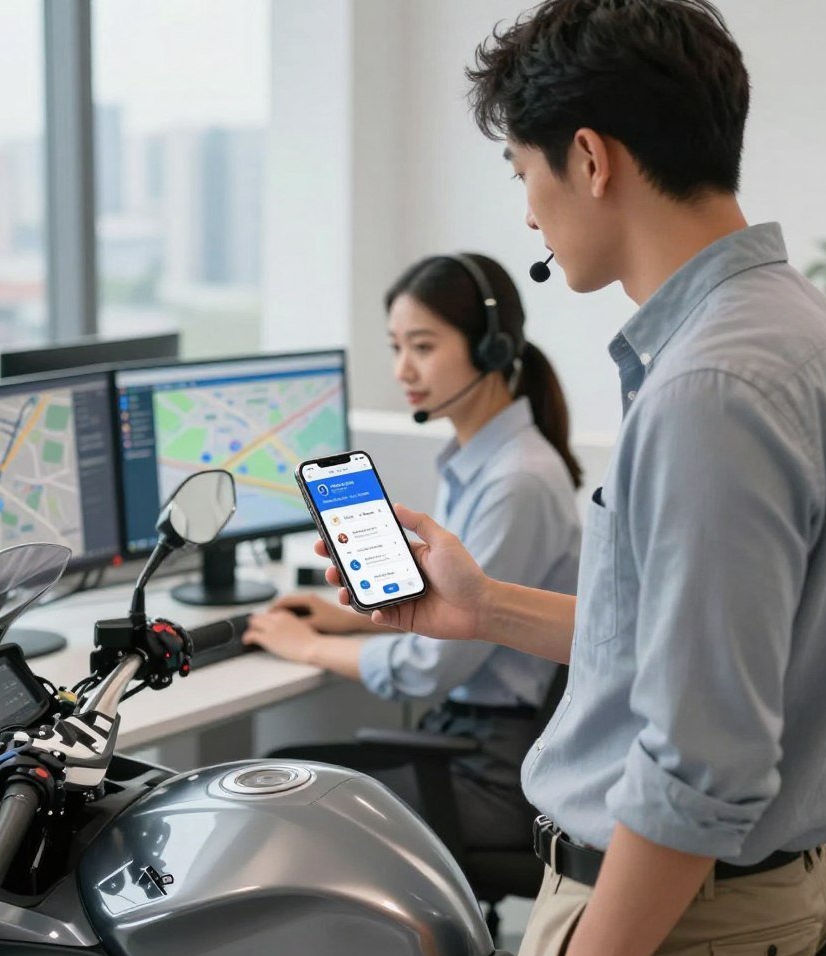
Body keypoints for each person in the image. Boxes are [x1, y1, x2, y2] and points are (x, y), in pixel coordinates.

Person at [310, 3, 826, 956]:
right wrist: (484, 608)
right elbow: (693, 645)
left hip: (664, 935)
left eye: (522, 173)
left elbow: (700, 764)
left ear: (588, 158)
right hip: (734, 906)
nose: (530, 214)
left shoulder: (710, 388)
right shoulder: (806, 330)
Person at [243, 252, 582, 852]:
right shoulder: (477, 463)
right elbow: (451, 612)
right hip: (468, 740)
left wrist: (309, 646)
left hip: (493, 770)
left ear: (491, 349)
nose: (403, 368)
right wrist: (351, 620)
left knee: (274, 788)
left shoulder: (517, 480)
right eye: (396, 346)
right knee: (282, 771)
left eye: (422, 346)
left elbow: (432, 666)